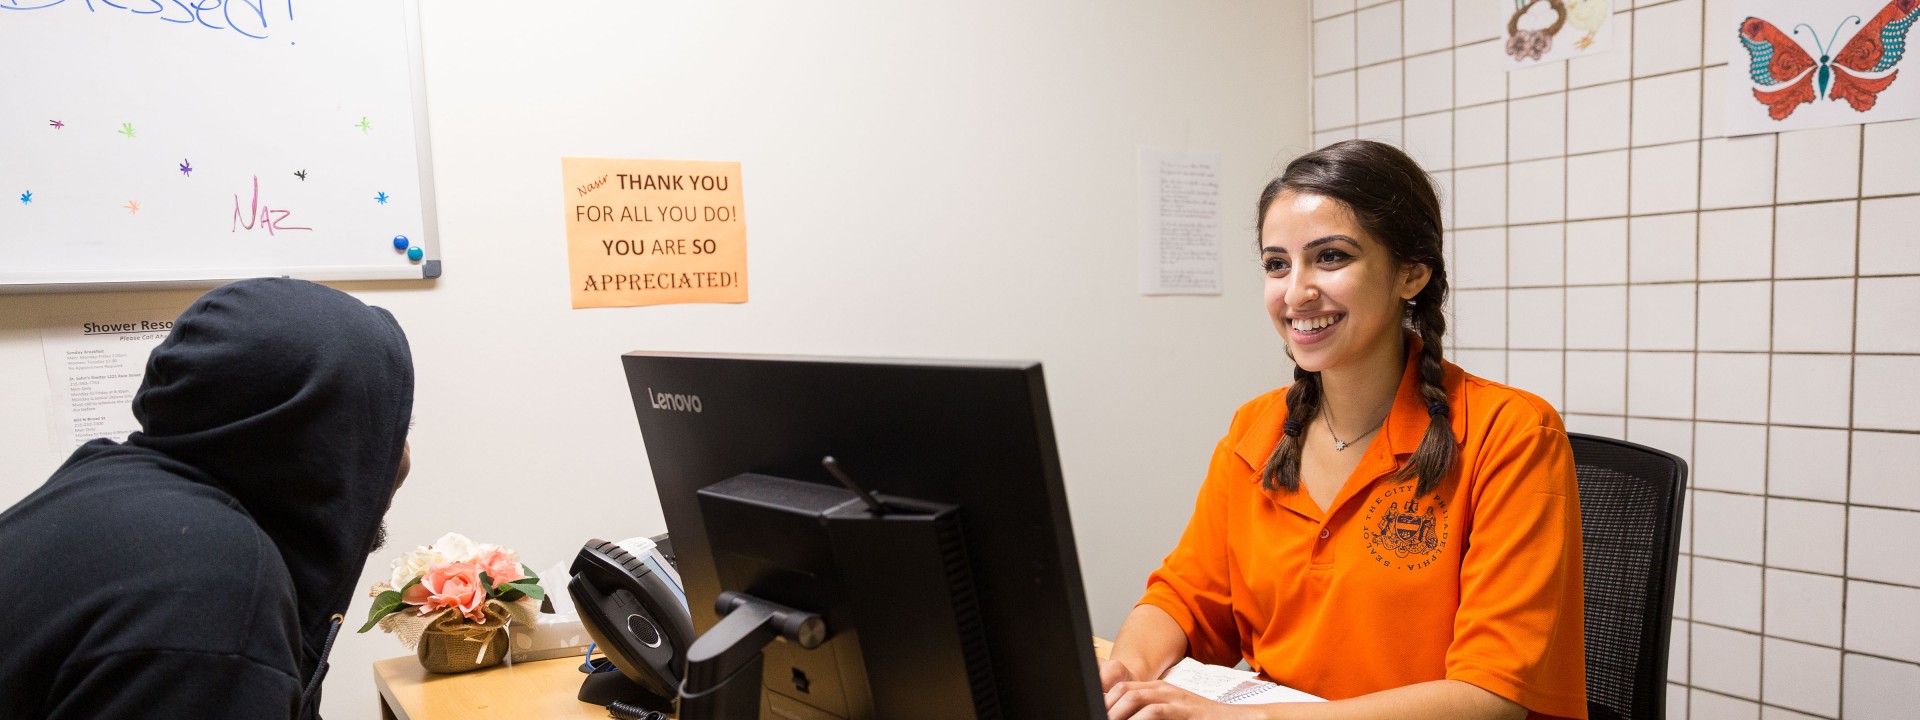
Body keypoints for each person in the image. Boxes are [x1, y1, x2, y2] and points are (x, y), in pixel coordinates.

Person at [1101, 141, 1586, 720]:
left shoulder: (1511, 434)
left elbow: (1489, 697)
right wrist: (1125, 675)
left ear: (1411, 273)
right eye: (1277, 263)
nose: (1296, 292)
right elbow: (1185, 600)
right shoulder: (1257, 429)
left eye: (1330, 257)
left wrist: (1243, 719)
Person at [0, 278, 415, 720]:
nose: (403, 460)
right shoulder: (215, 588)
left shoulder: (99, 488)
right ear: (317, 435)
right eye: (391, 434)